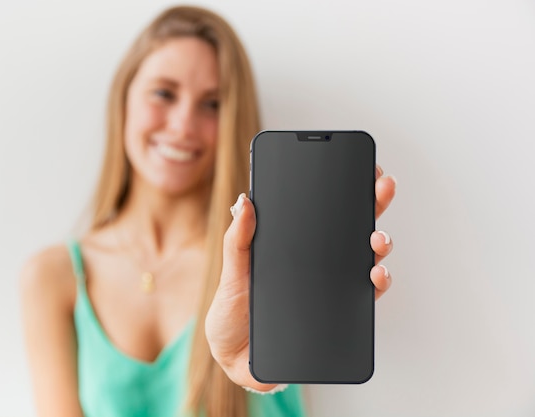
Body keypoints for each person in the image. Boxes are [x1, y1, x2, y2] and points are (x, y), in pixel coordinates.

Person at [20, 5, 396, 417]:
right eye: (164, 93)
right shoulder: (54, 276)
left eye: (212, 104)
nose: (183, 125)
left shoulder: (262, 260)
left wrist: (270, 371)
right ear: (123, 98)